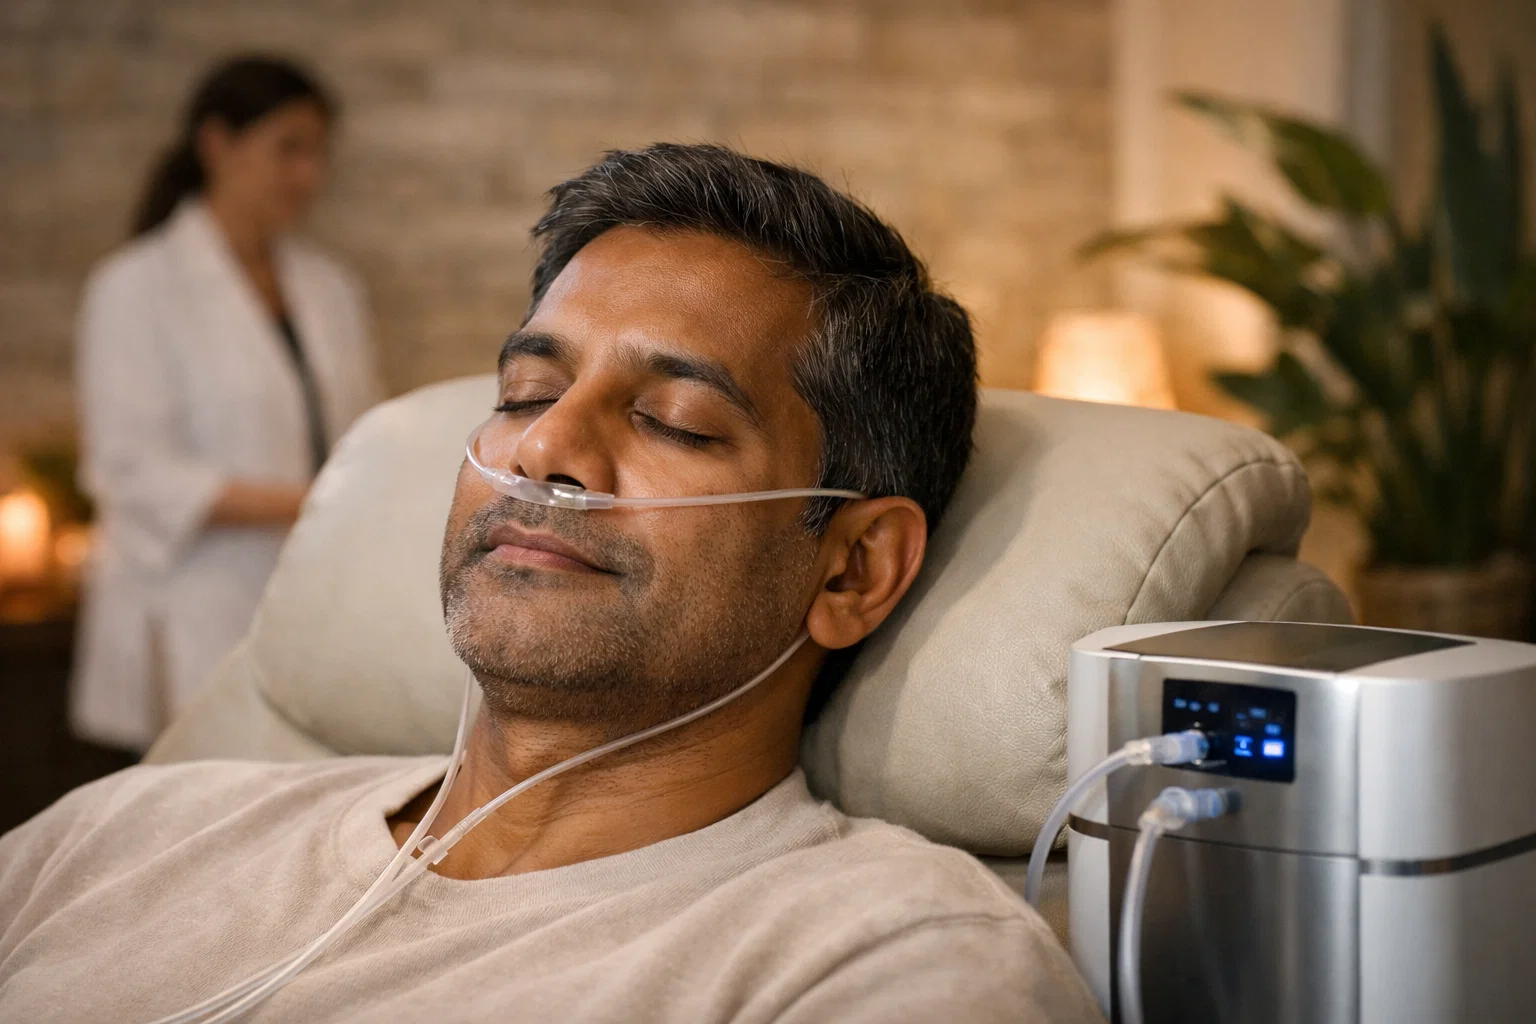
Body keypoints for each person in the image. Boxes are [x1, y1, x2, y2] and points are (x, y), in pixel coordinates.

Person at [1, 144, 1102, 1022]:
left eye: (675, 419)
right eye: (528, 391)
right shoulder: (125, 830)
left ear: (853, 569)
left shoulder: (879, 962)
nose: (543, 451)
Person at [70, 56, 384, 751]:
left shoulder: (330, 288)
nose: (309, 175)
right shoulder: (135, 287)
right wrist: (311, 502)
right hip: (192, 608)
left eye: (318, 153)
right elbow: (132, 472)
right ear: (217, 143)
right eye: (288, 150)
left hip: (307, 598)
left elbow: (364, 431)